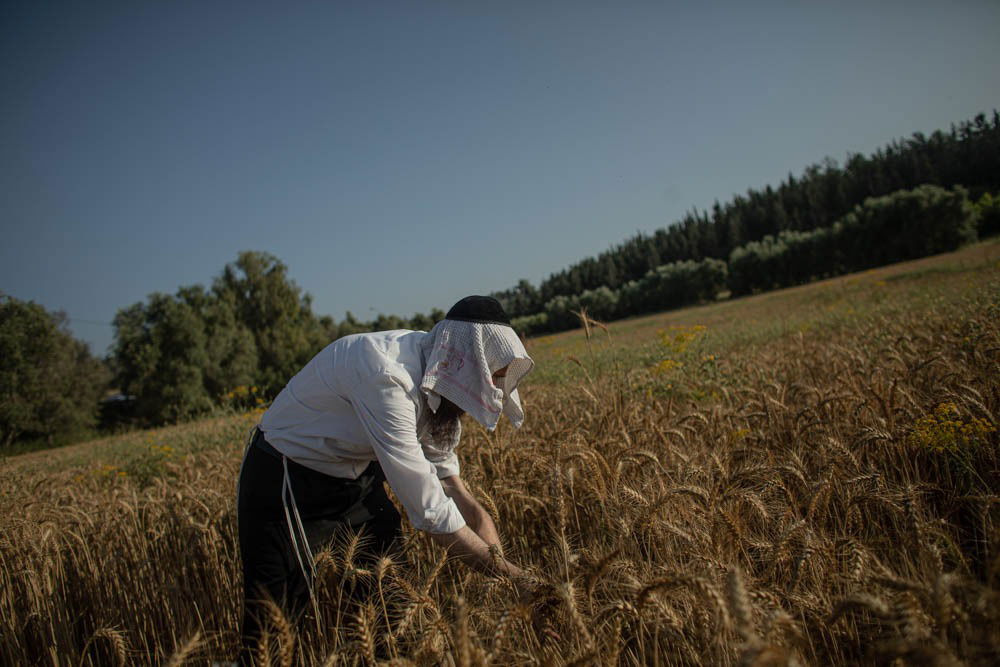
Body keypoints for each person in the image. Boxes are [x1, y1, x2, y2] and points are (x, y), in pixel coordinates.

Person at [236, 295, 535, 661]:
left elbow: (445, 474)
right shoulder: (389, 376)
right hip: (288, 480)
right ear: (466, 364)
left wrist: (486, 531)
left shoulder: (440, 373)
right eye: (488, 378)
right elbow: (431, 512)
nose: (487, 391)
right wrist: (516, 579)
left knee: (392, 599)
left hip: (355, 478)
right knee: (272, 631)